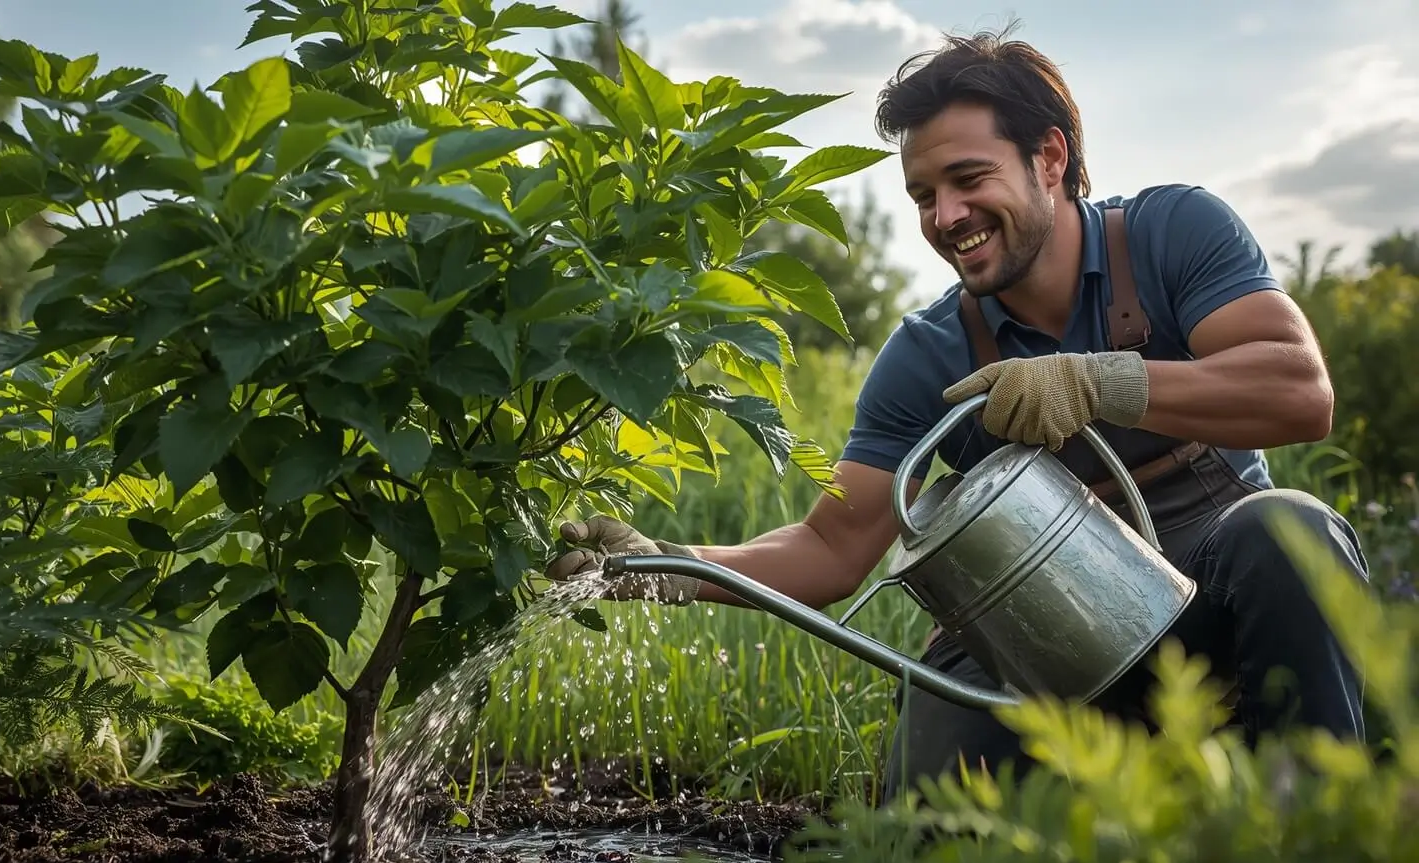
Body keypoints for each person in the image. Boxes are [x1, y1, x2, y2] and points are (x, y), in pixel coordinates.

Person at [545, 25, 1369, 802]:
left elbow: (1298, 391)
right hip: (1057, 633)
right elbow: (831, 548)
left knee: (1287, 529)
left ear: (1051, 158)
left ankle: (1322, 834)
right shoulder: (929, 351)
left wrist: (1097, 381)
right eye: (923, 195)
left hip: (1215, 594)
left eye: (969, 180)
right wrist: (665, 565)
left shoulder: (1171, 234)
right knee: (924, 803)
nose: (946, 218)